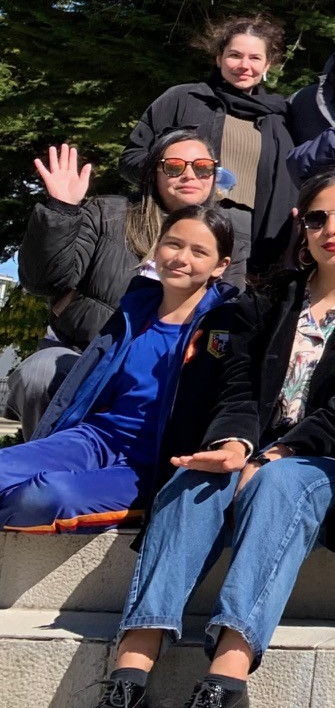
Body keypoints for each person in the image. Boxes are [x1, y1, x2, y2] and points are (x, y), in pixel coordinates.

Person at [63, 174, 335, 708]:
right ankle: (128, 678)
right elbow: (234, 387)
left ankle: (227, 683)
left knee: (279, 482)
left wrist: (276, 454)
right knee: (193, 478)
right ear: (301, 229)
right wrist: (234, 443)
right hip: (253, 448)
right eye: (316, 218)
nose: (330, 230)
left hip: (324, 464)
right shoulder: (266, 298)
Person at [0, 207, 235, 533]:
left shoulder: (228, 327)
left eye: (199, 251)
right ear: (157, 247)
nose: (181, 258)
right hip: (95, 439)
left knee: (43, 497)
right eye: (173, 244)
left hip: (153, 465)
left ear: (220, 266)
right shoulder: (133, 310)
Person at [14, 132, 240, 437]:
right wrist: (61, 210)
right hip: (88, 358)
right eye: (174, 166)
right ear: (153, 173)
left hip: (169, 372)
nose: (189, 175)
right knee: (41, 371)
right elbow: (43, 281)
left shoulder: (229, 238)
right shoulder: (108, 214)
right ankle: (41, 461)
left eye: (202, 167)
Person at [121, 16, 296, 279]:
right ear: (218, 58)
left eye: (254, 58)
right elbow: (130, 158)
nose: (244, 65)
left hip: (249, 237)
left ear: (267, 64)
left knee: (223, 315)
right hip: (180, 225)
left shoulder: (279, 117)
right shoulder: (184, 98)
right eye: (234, 55)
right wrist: (176, 174)